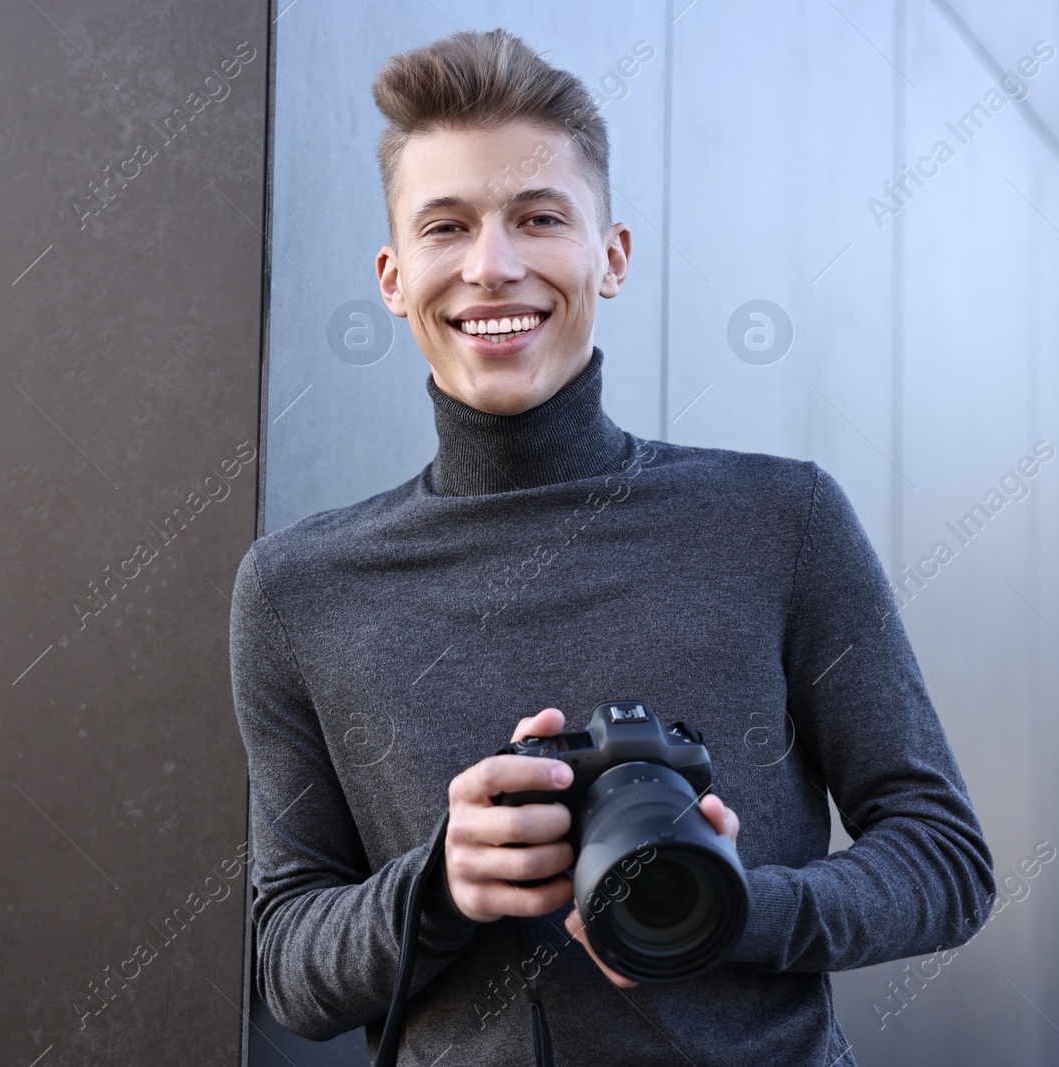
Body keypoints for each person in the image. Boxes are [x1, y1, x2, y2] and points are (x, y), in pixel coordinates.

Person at [229, 26, 995, 1066]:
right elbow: (285, 961)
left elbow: (945, 860)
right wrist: (441, 884)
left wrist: (735, 906)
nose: (491, 267)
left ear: (612, 255)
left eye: (538, 218)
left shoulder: (780, 520)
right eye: (445, 227)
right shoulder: (298, 588)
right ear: (393, 276)